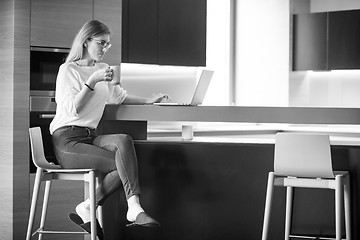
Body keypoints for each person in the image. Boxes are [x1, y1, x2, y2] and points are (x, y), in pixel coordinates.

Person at [50, 20, 166, 236]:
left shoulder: (103, 69)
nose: (105, 48)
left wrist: (149, 100)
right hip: (67, 140)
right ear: (86, 41)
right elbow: (73, 109)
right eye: (101, 43)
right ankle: (111, 208)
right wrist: (91, 82)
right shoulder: (68, 70)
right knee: (118, 165)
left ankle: (121, 207)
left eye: (108, 45)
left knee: (123, 139)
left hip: (89, 136)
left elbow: (118, 97)